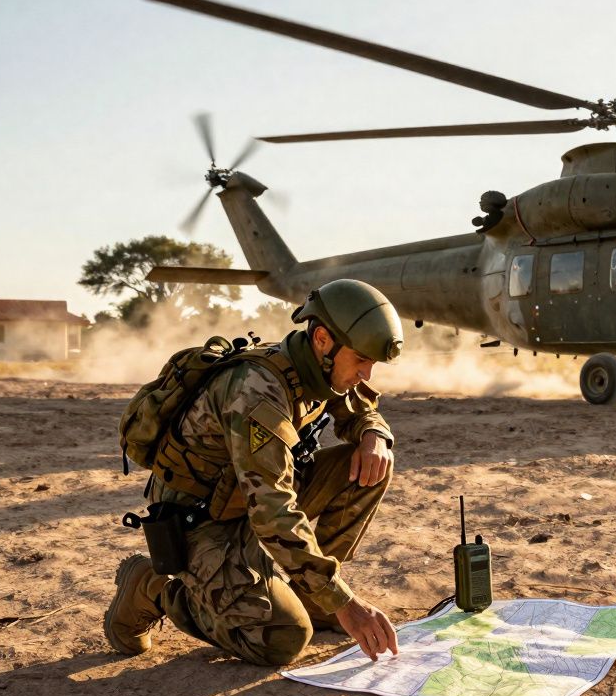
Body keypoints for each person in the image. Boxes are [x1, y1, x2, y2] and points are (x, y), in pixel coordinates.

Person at [104, 279, 405, 666]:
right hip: (203, 519)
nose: (366, 373)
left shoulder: (318, 370)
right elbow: (273, 511)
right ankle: (152, 587)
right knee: (282, 639)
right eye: (362, 360)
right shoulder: (257, 391)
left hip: (250, 497)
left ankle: (315, 596)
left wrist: (373, 435)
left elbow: (359, 407)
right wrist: (346, 603)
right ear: (323, 340)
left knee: (371, 465)